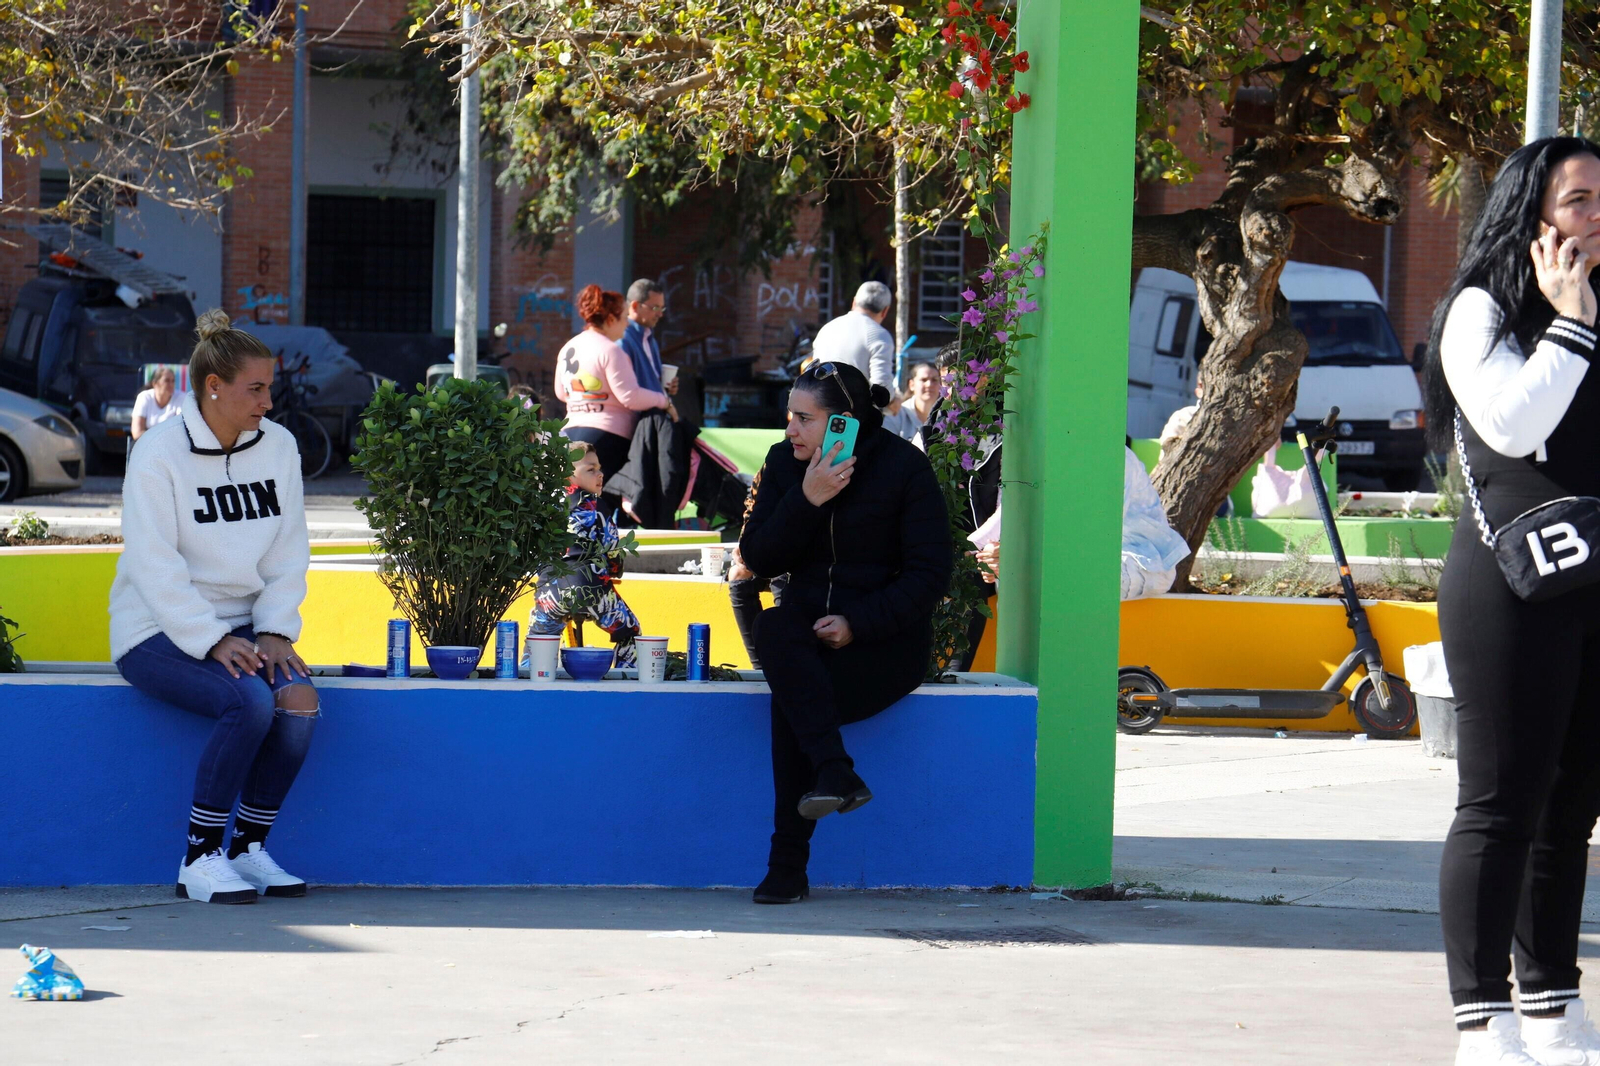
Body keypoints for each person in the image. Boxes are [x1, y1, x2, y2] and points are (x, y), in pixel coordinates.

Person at [1425, 136, 1600, 1066]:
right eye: (1579, 201)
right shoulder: (1481, 308)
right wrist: (1569, 322)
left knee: (1571, 809)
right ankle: (1482, 1024)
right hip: (1509, 584)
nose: (1597, 218)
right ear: (1532, 215)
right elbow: (1513, 424)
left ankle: (1553, 1012)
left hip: (1593, 579)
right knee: (1501, 804)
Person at [110, 309, 316, 905]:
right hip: (156, 627)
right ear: (214, 386)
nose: (268, 402)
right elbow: (152, 563)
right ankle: (199, 859)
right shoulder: (158, 454)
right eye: (256, 389)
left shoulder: (278, 447)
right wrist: (209, 638)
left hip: (245, 626)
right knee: (249, 701)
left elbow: (289, 548)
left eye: (269, 388)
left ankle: (248, 849)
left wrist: (275, 629)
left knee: (299, 701)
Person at [739, 361, 951, 905]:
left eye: (804, 419)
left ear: (845, 423)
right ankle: (834, 771)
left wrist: (858, 623)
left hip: (883, 647)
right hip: (805, 636)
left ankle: (788, 866)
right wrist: (806, 499)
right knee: (775, 628)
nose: (790, 429)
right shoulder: (784, 463)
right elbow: (758, 557)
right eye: (790, 416)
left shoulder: (904, 468)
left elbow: (929, 574)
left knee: (793, 698)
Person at [528, 442, 641, 668]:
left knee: (538, 640)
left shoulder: (544, 504)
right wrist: (615, 569)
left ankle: (530, 672)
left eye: (599, 468)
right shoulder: (595, 506)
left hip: (551, 591)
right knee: (630, 633)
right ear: (567, 475)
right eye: (590, 469)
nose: (600, 474)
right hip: (590, 588)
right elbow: (612, 550)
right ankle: (626, 677)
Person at [556, 284, 677, 485]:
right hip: (609, 435)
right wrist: (664, 401)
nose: (627, 324)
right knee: (602, 494)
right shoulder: (611, 351)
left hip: (570, 432)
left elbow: (561, 393)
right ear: (611, 320)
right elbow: (630, 396)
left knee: (574, 493)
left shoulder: (569, 347)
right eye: (624, 318)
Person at [727, 467, 787, 669]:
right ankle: (760, 666)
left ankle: (787, 662)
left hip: (798, 557)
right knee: (738, 574)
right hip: (772, 549)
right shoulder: (773, 464)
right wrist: (744, 544)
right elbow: (752, 508)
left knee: (782, 572)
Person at [809, 281, 896, 390]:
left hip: (819, 397)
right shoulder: (879, 336)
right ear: (885, 311)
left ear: (854, 302)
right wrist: (895, 397)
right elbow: (882, 389)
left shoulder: (827, 329)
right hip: (854, 400)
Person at [619, 278, 680, 399]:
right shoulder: (622, 340)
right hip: (639, 410)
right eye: (655, 308)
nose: (660, 314)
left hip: (657, 408)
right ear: (635, 306)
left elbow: (650, 382)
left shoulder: (649, 338)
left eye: (662, 308)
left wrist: (665, 386)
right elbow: (626, 391)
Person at [882, 360, 942, 444]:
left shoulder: (946, 414)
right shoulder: (896, 415)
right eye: (924, 380)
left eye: (934, 380)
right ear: (912, 385)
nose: (929, 384)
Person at [131, 366, 182, 441]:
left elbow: (181, 430)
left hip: (171, 443)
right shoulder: (144, 397)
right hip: (146, 442)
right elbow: (137, 433)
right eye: (167, 381)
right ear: (155, 383)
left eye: (173, 381)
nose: (171, 384)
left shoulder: (181, 397)